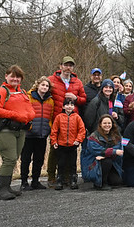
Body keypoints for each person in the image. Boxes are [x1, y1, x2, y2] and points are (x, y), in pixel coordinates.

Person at [0, 65, 35, 200]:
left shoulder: (22, 92)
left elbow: (29, 108)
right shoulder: (1, 92)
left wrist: (30, 116)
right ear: (6, 76)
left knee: (13, 159)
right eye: (12, 76)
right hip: (4, 131)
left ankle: (7, 187)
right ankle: (2, 190)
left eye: (18, 77)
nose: (15, 79)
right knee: (9, 159)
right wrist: (16, 115)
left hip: (19, 131)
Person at [46, 56, 87, 187]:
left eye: (71, 65)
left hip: (73, 120)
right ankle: (52, 177)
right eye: (66, 65)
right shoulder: (51, 80)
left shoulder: (77, 82)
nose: (68, 67)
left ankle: (68, 177)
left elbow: (84, 99)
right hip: (56, 119)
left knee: (70, 152)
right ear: (60, 66)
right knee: (55, 149)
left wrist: (76, 98)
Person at [20, 76, 54, 190]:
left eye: (47, 86)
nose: (44, 87)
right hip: (29, 134)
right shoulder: (29, 97)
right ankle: (24, 182)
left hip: (42, 134)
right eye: (43, 85)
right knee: (26, 158)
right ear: (38, 85)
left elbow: (50, 116)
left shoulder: (50, 100)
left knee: (39, 159)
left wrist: (48, 128)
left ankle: (35, 181)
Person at [80, 114, 124, 190]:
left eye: (109, 123)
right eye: (104, 123)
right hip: (94, 163)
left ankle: (106, 178)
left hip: (110, 161)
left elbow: (118, 150)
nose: (107, 125)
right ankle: (101, 183)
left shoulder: (116, 136)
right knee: (107, 161)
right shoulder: (93, 136)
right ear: (100, 124)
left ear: (112, 124)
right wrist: (112, 152)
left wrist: (107, 153)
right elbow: (96, 150)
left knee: (117, 181)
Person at [50, 98, 87, 190]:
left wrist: (78, 140)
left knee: (72, 164)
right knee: (61, 163)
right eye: (67, 104)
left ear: (74, 107)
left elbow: (82, 130)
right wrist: (54, 141)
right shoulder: (59, 117)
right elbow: (54, 131)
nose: (69, 107)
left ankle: (73, 180)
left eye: (71, 105)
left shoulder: (77, 117)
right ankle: (59, 180)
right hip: (61, 145)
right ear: (63, 106)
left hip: (73, 145)